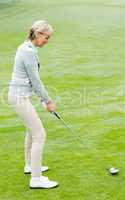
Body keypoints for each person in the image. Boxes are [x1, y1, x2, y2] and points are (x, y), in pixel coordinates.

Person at [8, 20, 59, 189]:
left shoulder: (26, 47)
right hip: (19, 98)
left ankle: (30, 166)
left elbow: (28, 80)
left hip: (20, 96)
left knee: (31, 132)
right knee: (40, 135)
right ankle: (36, 179)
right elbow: (36, 82)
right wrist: (48, 101)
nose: (47, 41)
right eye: (47, 37)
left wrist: (42, 100)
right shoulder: (28, 52)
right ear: (38, 34)